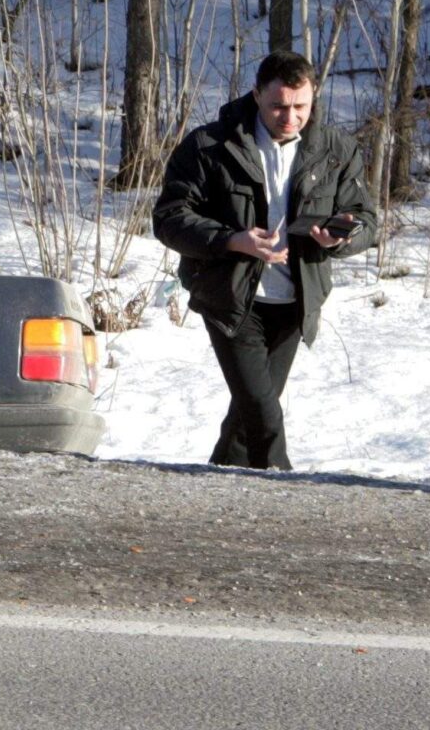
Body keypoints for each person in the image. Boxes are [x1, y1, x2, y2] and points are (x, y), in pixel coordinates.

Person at [152, 51, 375, 470]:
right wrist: (232, 240)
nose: (290, 117)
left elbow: (366, 219)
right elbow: (169, 219)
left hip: (296, 302)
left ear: (313, 96)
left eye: (300, 106)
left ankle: (219, 484)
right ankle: (285, 490)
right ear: (256, 96)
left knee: (249, 415)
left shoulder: (336, 149)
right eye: (278, 106)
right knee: (263, 413)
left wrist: (341, 237)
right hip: (232, 298)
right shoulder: (209, 146)